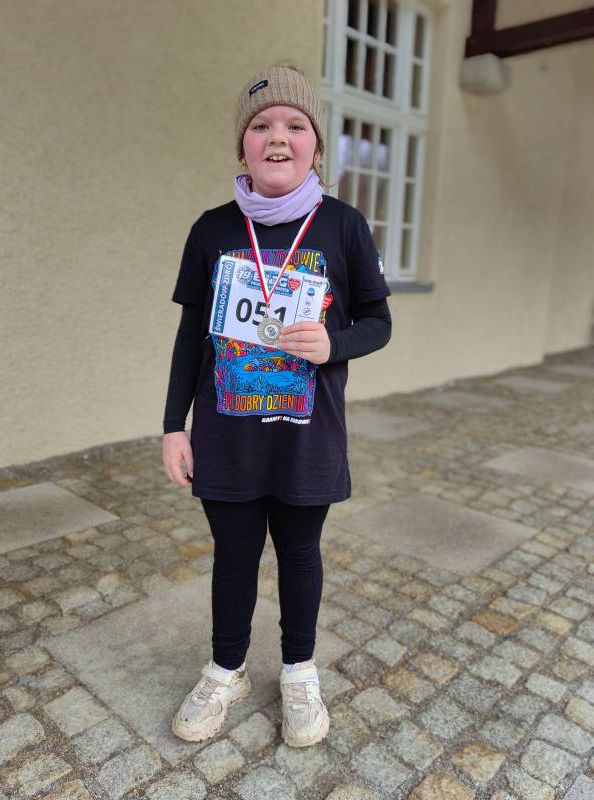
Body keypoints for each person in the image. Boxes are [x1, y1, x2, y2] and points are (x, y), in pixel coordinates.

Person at [162, 63, 392, 748]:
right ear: (244, 145)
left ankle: (298, 673)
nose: (278, 137)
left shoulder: (343, 227)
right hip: (227, 435)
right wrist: (174, 427)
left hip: (306, 436)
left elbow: (379, 322)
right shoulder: (211, 231)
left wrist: (333, 343)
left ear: (315, 144)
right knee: (233, 556)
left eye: (295, 124)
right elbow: (190, 337)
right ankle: (225, 670)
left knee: (299, 553)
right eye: (261, 125)